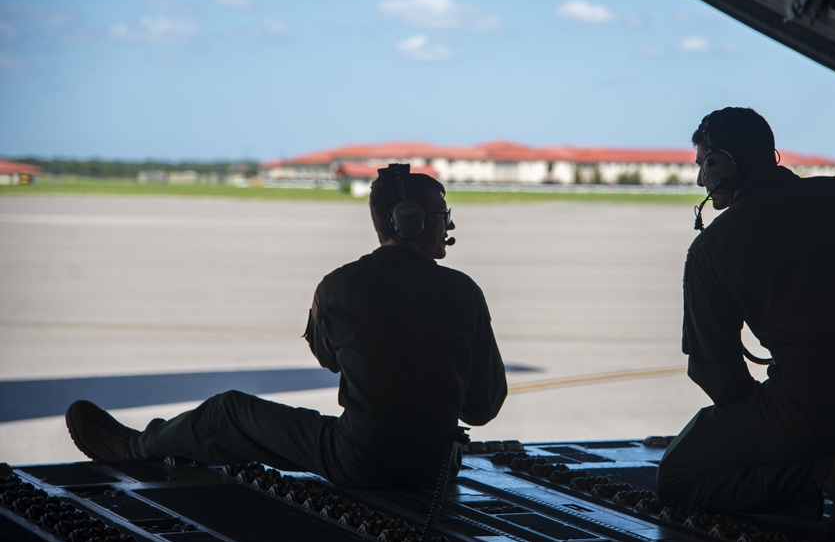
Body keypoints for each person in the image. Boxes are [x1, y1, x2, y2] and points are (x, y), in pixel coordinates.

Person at [66, 163, 507, 489]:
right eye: (441, 214)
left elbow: (327, 360)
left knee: (227, 412)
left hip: (361, 462)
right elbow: (483, 407)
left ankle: (138, 448)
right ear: (408, 219)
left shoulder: (337, 288)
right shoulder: (465, 291)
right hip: (437, 468)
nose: (446, 225)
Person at [657, 107, 835, 536]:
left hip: (810, 409)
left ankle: (822, 474)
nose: (702, 181)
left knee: (675, 477)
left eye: (703, 166)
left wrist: (774, 424)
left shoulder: (714, 246)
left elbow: (716, 375)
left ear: (723, 164)